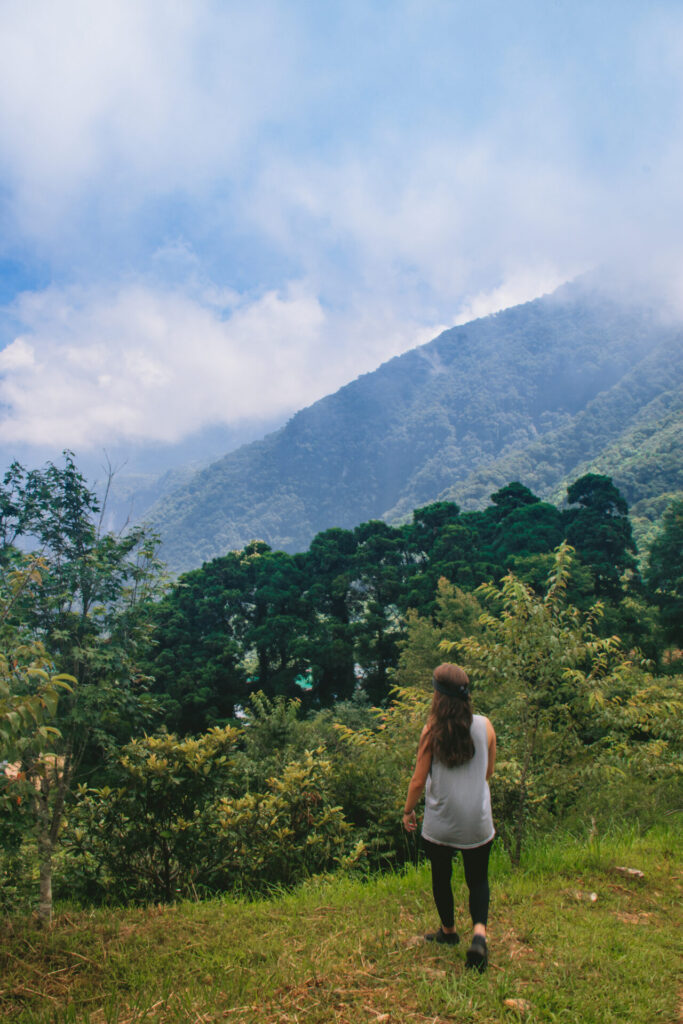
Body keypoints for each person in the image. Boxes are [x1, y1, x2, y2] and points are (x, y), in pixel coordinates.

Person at [403, 663, 496, 971]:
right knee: (478, 878)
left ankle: (449, 932)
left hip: (442, 822)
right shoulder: (485, 726)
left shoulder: (431, 732)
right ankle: (479, 935)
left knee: (441, 875)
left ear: (437, 697)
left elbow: (418, 780)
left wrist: (407, 811)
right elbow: (488, 773)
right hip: (477, 820)